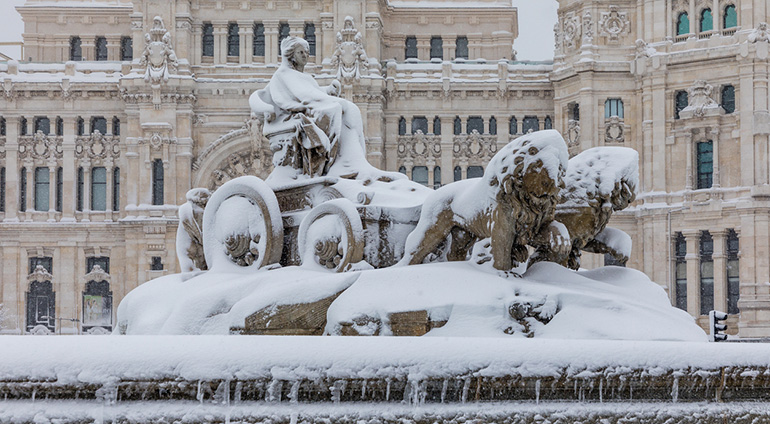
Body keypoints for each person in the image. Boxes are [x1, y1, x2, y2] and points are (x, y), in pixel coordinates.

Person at [252, 36, 402, 182]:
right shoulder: (283, 75)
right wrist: (328, 99)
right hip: (295, 114)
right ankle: (337, 164)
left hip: (310, 108)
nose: (305, 56)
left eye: (306, 52)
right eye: (300, 52)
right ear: (291, 55)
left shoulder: (303, 77)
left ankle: (354, 162)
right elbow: (305, 97)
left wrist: (328, 91)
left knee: (351, 110)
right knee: (336, 109)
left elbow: (311, 93)